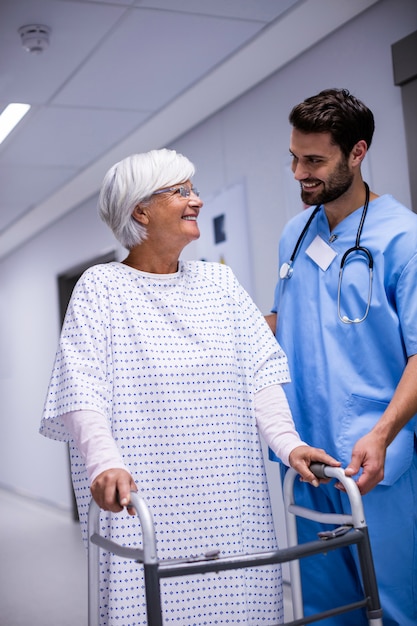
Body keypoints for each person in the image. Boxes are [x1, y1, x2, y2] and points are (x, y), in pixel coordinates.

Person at [40, 148, 338, 626]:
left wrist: (289, 444)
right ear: (140, 210)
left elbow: (259, 374)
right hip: (145, 501)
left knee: (243, 607)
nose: (195, 200)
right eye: (180, 192)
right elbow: (82, 391)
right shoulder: (100, 288)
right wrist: (104, 464)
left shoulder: (220, 284)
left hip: (231, 500)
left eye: (193, 189)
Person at [266, 88, 417, 626]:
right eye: (294, 157)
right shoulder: (295, 233)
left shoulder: (404, 236)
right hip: (309, 461)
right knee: (325, 613)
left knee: (396, 606)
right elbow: (288, 325)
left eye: (314, 160)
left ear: (357, 153)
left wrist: (381, 434)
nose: (298, 172)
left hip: (374, 462)